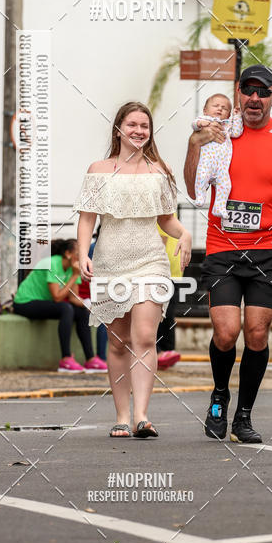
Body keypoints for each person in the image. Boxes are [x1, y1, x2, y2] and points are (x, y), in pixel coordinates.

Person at [184, 64, 272, 443]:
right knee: (226, 333)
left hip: (266, 251)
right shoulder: (219, 134)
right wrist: (193, 144)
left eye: (263, 92)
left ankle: (243, 416)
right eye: (248, 91)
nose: (254, 99)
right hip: (223, 248)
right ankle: (219, 396)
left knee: (256, 334)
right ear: (238, 94)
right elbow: (194, 186)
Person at [74, 101, 192, 439]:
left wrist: (184, 234)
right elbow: (87, 218)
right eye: (132, 125)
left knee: (143, 337)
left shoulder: (160, 171)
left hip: (150, 262)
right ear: (118, 129)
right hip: (111, 263)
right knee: (117, 342)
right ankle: (122, 416)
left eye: (145, 125)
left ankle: (142, 415)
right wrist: (84, 253)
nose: (139, 131)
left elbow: (166, 219)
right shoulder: (99, 169)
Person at [13, 239, 105, 373]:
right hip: (25, 303)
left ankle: (90, 360)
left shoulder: (73, 268)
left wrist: (90, 305)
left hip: (44, 303)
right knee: (65, 308)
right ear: (68, 254)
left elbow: (74, 298)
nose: (81, 257)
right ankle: (66, 360)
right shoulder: (52, 264)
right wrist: (74, 276)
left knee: (81, 311)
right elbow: (57, 297)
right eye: (78, 253)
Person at [191, 91, 243, 218]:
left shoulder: (227, 125)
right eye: (216, 106)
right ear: (205, 110)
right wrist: (199, 124)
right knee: (202, 176)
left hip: (221, 168)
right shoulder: (204, 120)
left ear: (228, 114)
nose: (220, 109)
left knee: (226, 185)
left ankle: (219, 207)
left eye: (224, 108)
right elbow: (194, 124)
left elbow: (237, 133)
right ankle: (200, 196)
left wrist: (237, 117)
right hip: (206, 163)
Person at [77, 225, 108, 369]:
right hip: (90, 292)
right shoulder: (97, 249)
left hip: (94, 290)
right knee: (105, 319)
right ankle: (101, 357)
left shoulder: (92, 247)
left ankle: (102, 357)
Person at [156, 219, 183, 370]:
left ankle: (166, 350)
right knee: (160, 314)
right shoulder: (161, 201)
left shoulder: (170, 205)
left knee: (168, 314)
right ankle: (159, 351)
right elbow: (161, 240)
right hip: (163, 272)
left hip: (173, 272)